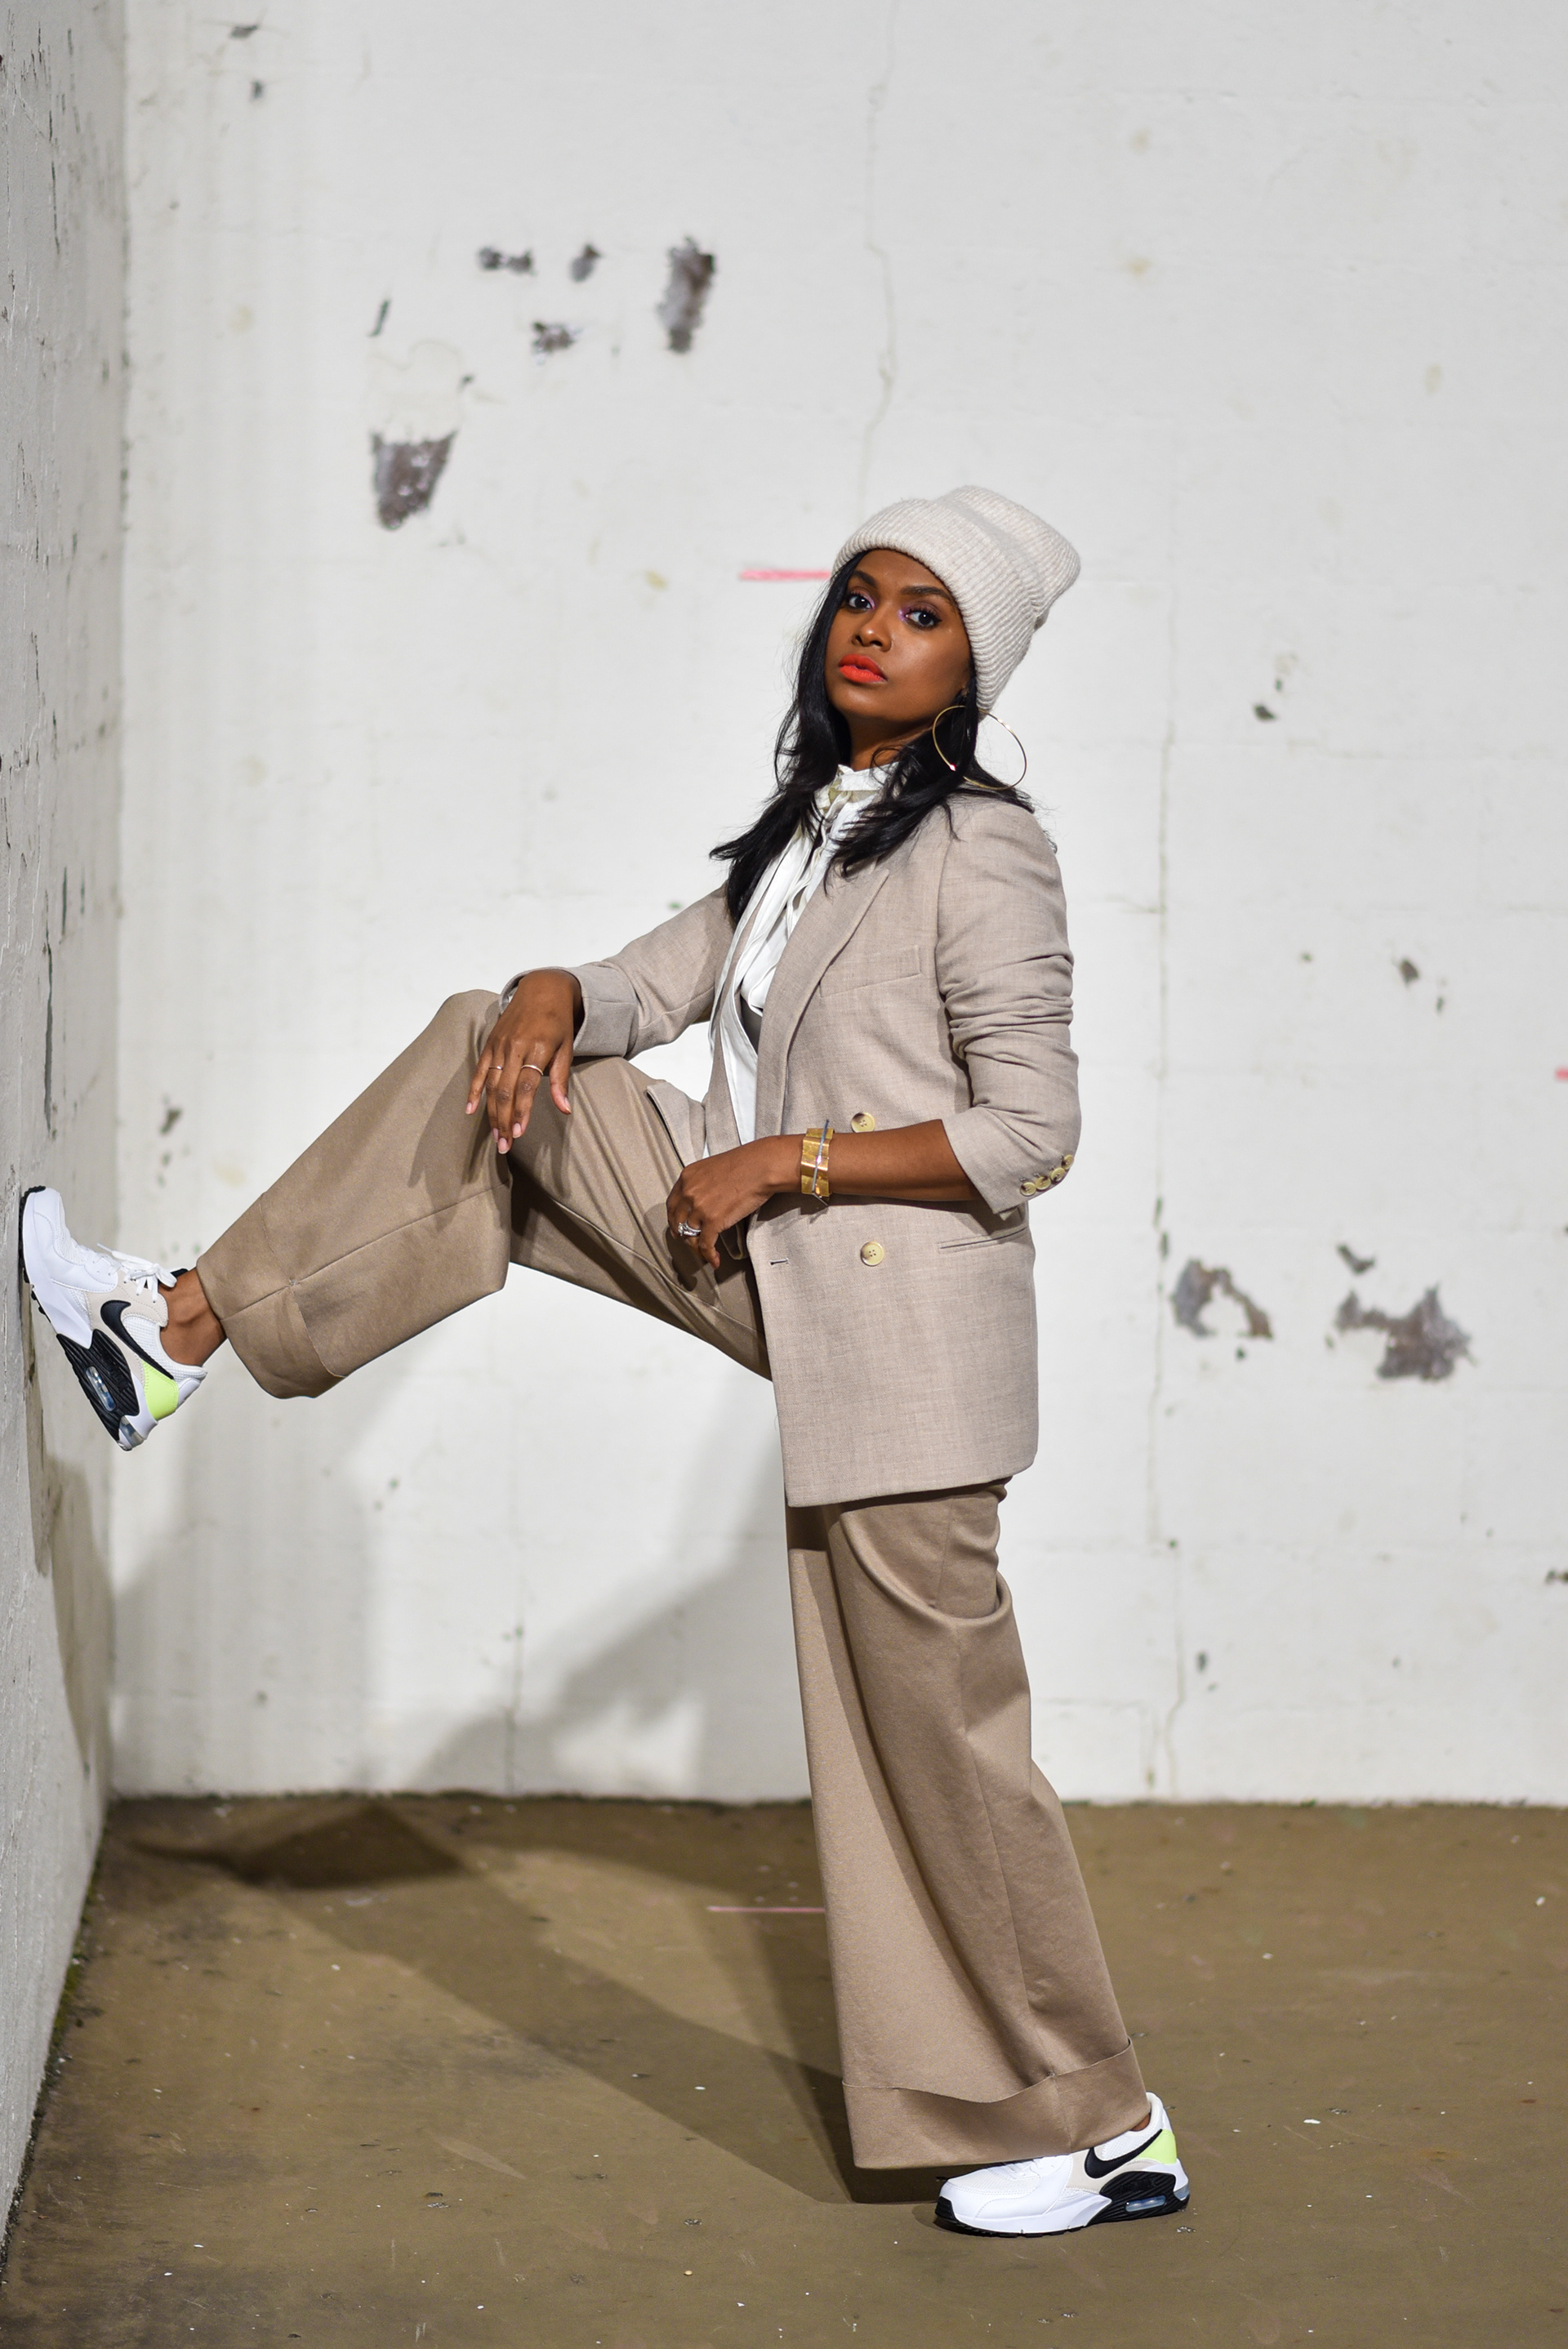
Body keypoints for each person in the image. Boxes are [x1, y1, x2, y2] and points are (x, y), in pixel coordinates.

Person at [23, 485, 1189, 2237]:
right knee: (493, 1054)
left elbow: (1033, 1133)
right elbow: (653, 981)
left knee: (940, 1754)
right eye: (859, 596)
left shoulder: (984, 850)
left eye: (921, 614)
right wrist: (555, 987)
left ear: (974, 667)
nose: (872, 630)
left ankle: (1106, 2125)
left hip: (905, 1343)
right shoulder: (816, 832)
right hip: (798, 1286)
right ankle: (174, 1328)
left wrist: (782, 1159)